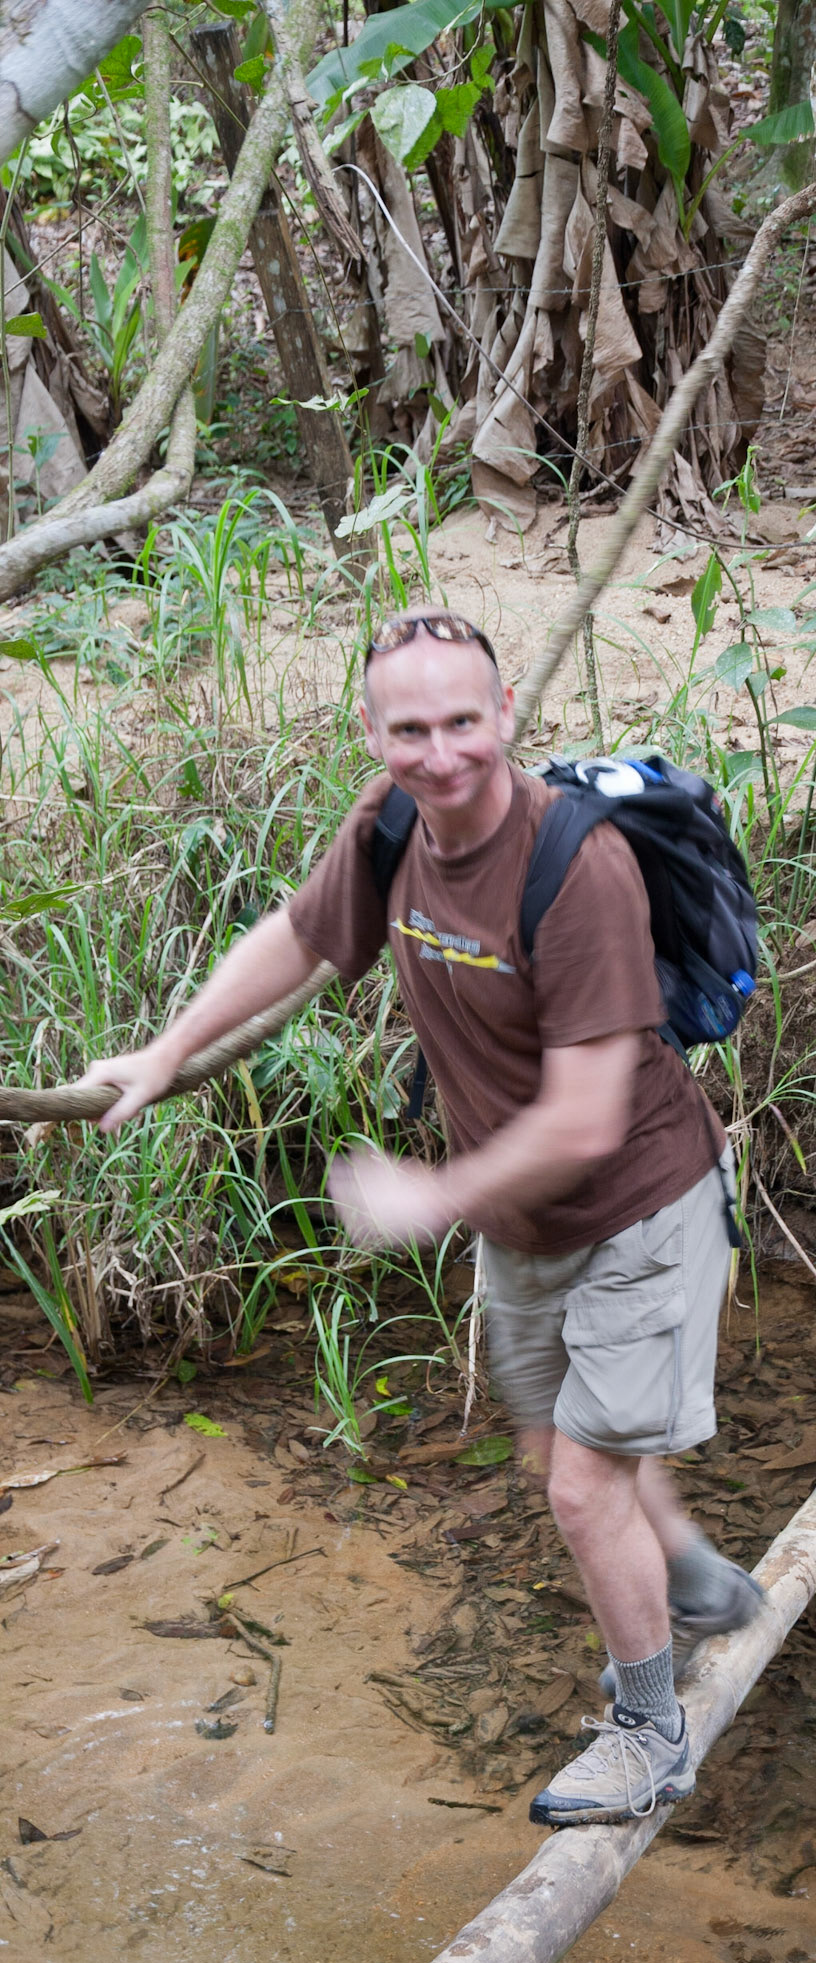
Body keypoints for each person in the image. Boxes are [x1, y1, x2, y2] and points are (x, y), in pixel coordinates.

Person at [82, 606, 763, 1825]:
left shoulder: (579, 868)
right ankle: (693, 1568)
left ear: (507, 716)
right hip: (526, 1222)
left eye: (463, 722)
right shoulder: (392, 826)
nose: (440, 753)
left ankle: (651, 1728)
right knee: (562, 1450)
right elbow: (297, 938)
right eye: (411, 729)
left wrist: (427, 1196)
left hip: (641, 1206)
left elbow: (588, 1116)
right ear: (373, 732)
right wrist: (164, 1050)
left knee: (579, 1489)